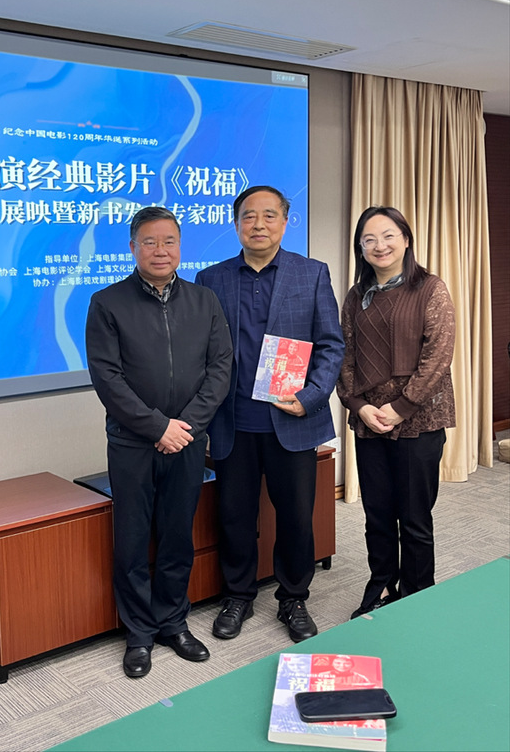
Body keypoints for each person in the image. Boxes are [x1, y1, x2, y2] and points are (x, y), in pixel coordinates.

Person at [85, 206, 233, 678]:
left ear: (180, 246)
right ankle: (139, 633)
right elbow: (107, 378)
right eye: (149, 242)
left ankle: (173, 622)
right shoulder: (107, 303)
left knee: (176, 536)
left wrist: (184, 426)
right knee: (131, 540)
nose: (160, 250)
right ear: (133, 247)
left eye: (169, 241)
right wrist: (157, 427)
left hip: (187, 440)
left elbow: (220, 368)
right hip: (132, 443)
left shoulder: (204, 300)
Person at [196, 185, 344, 644]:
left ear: (285, 220)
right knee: (235, 516)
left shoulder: (311, 273)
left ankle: (293, 597)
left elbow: (331, 345)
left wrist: (311, 396)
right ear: (236, 223)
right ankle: (238, 595)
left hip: (294, 419)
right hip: (233, 422)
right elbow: (201, 352)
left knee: (296, 516)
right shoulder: (211, 278)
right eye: (248, 216)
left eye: (268, 215)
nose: (258, 224)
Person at [336, 206, 456, 619]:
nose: (379, 245)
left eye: (388, 236)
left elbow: (438, 356)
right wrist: (359, 406)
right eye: (369, 239)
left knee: (415, 519)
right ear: (360, 248)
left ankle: (418, 599)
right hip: (370, 421)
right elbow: (345, 357)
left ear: (406, 239)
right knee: (378, 516)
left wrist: (401, 407)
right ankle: (382, 588)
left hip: (418, 422)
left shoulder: (430, 288)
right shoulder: (357, 296)